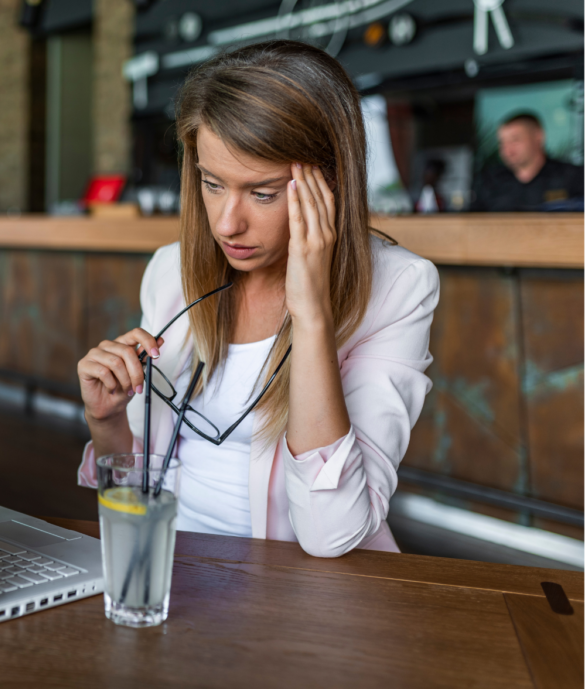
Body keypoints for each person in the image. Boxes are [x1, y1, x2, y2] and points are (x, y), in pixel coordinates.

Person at [75, 40, 439, 557]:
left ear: (331, 181)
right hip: (167, 573)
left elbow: (331, 534)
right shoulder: (170, 273)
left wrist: (312, 315)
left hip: (293, 597)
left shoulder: (399, 289)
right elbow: (130, 498)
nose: (227, 223)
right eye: (212, 183)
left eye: (263, 193)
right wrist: (106, 421)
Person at [472, 112, 585, 211]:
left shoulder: (572, 177)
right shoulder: (490, 181)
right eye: (502, 143)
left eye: (515, 140)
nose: (508, 150)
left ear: (538, 137)